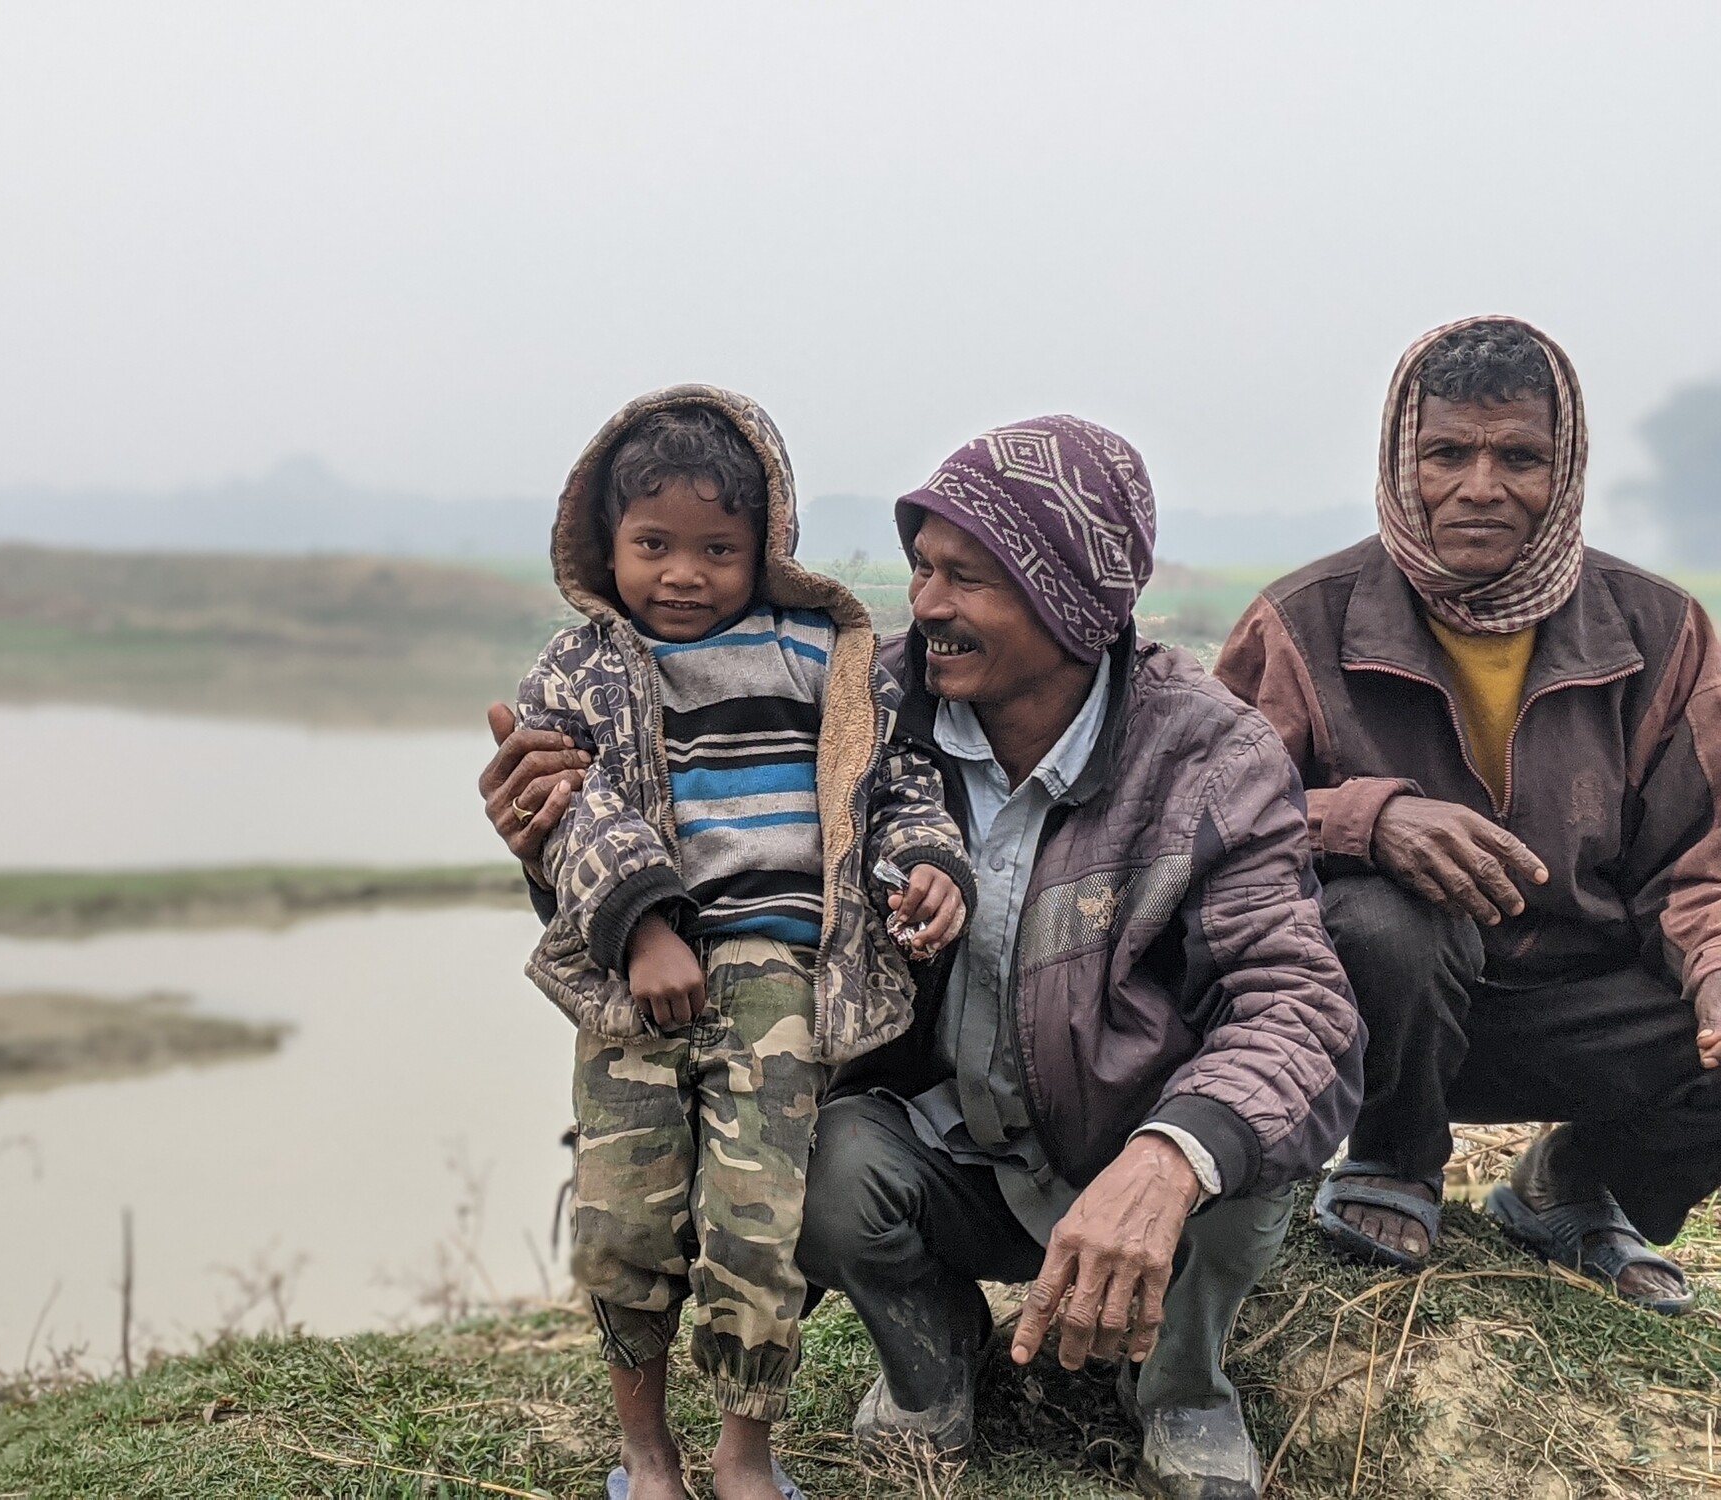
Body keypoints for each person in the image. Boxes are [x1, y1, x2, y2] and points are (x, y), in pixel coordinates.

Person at [485, 414, 1363, 1500]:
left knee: (1238, 1146)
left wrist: (1166, 1158)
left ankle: (1181, 1388)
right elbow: (711, 846)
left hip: (1122, 1132)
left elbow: (1299, 1009)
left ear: (1072, 602)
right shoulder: (863, 703)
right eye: (921, 570)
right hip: (948, 1146)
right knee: (821, 1168)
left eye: (969, 578)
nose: (927, 605)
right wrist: (550, 851)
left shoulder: (1207, 755)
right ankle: (931, 1358)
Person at [509, 386, 976, 1500]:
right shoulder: (575, 670)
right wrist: (646, 924)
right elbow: (563, 809)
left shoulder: (820, 654)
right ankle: (645, 1452)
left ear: (764, 544)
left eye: (716, 547)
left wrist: (927, 867)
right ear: (604, 543)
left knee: (754, 1225)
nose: (682, 573)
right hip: (634, 978)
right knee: (625, 1220)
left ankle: (742, 1455)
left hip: (779, 978)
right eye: (652, 544)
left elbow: (888, 781)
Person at [1216, 316, 1721, 1313]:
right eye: (1445, 453)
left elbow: (1697, 863)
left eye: (1518, 456)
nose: (1479, 488)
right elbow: (1201, 825)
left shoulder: (1658, 631)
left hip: (1578, 1009)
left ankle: (1576, 1186)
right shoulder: (1300, 621)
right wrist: (1368, 822)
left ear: (1564, 465)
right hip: (1373, 1011)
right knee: (1381, 920)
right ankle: (1391, 1160)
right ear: (1402, 462)